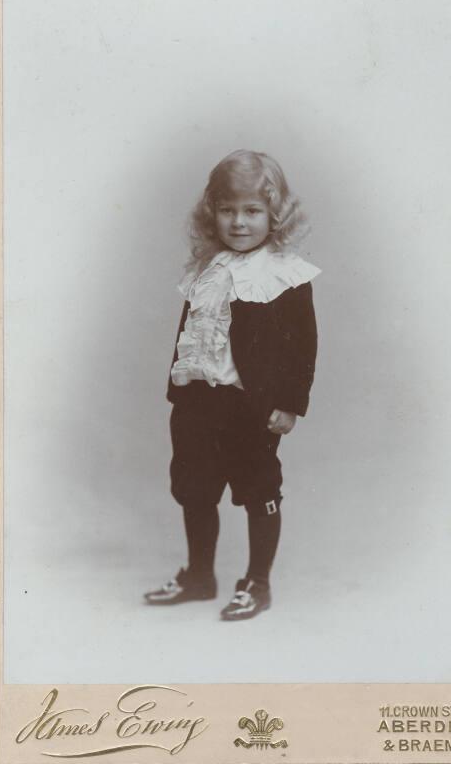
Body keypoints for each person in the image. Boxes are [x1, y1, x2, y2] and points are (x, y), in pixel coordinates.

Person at [144, 149, 320, 620]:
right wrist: (178, 393)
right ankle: (199, 574)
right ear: (212, 213)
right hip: (198, 402)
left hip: (251, 407)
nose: (239, 222)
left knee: (257, 487)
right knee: (195, 488)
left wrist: (289, 404)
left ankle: (257, 581)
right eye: (227, 210)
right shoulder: (207, 269)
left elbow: (304, 346)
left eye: (252, 211)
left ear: (274, 214)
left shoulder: (284, 274)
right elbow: (191, 333)